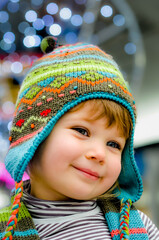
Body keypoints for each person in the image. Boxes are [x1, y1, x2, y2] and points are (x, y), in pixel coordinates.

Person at [0, 36, 159, 240]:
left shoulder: (138, 228)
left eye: (114, 144)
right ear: (34, 134)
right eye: (82, 131)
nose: (99, 154)